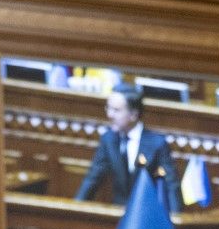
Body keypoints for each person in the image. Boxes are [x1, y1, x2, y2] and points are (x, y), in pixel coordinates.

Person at [74, 83, 181, 211]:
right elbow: (92, 179)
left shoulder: (157, 144)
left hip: (148, 216)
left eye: (116, 110)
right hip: (118, 216)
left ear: (133, 115)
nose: (109, 115)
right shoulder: (108, 139)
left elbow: (171, 186)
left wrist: (175, 222)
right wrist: (75, 208)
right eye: (108, 108)